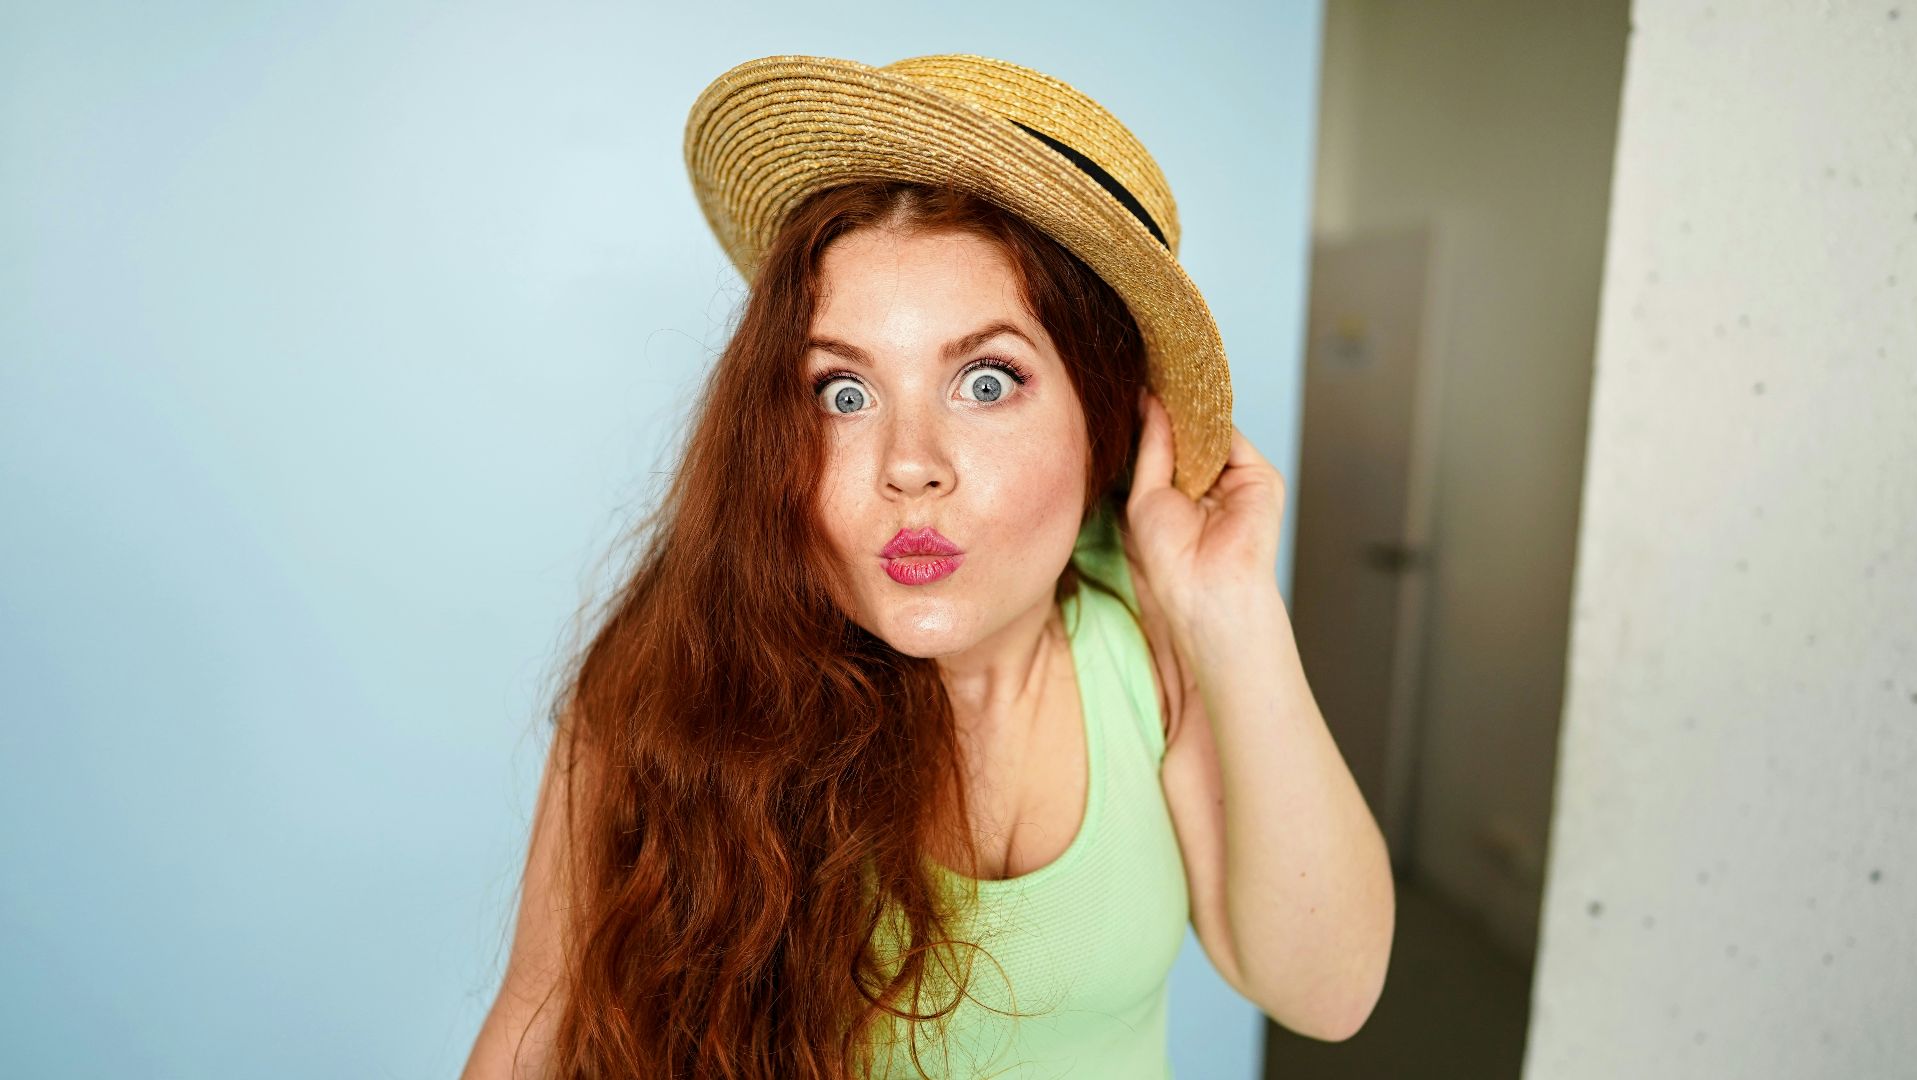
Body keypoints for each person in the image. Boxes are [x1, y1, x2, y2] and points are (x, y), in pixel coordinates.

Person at [462, 53, 1393, 1080]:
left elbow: (1327, 991)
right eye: (843, 393)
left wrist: (1232, 610)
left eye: (986, 381)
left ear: (1108, 419)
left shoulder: (1151, 637)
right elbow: (532, 1034)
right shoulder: (667, 684)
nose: (909, 465)